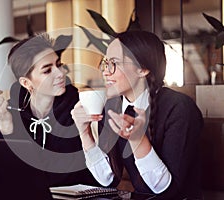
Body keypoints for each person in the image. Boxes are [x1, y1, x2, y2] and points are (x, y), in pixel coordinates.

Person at [71, 30, 203, 199]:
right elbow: (108, 179)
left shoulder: (180, 108)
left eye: (114, 63)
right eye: (105, 63)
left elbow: (168, 192)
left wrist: (138, 140)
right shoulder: (113, 106)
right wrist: (84, 133)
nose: (105, 72)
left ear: (143, 69)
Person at [0, 33, 97, 187]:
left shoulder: (78, 107)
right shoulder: (12, 112)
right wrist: (6, 125)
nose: (61, 73)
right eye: (47, 70)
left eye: (58, 64)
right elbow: (5, 171)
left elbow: (63, 173)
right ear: (26, 82)